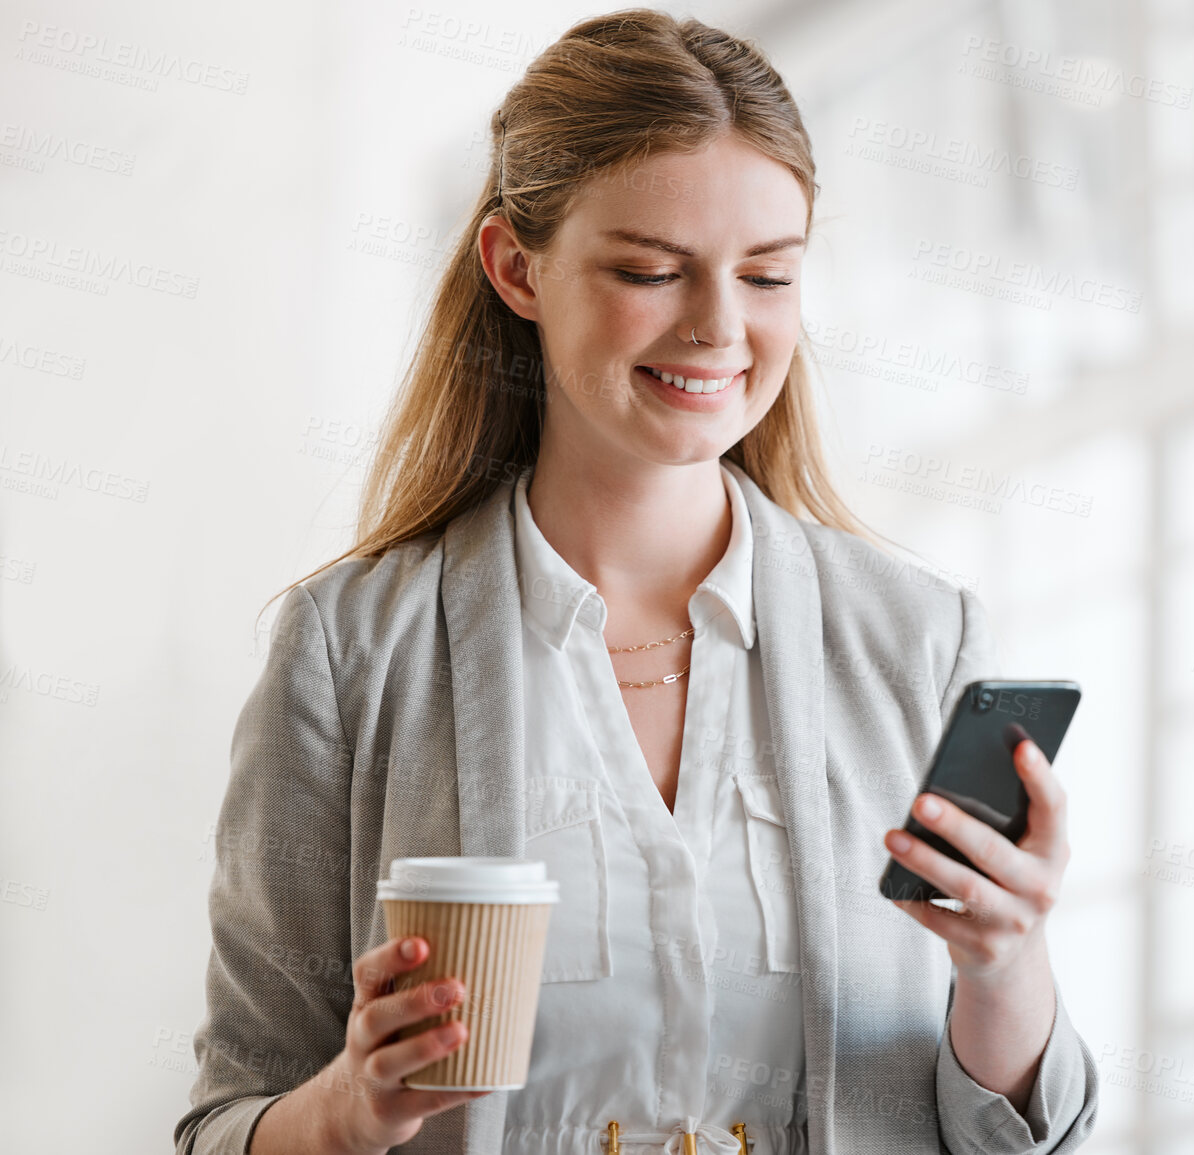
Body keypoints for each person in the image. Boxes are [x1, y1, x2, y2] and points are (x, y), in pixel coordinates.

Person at [175, 10, 1098, 1154]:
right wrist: (352, 1108)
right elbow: (229, 1122)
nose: (720, 328)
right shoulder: (351, 651)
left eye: (768, 276)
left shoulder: (917, 640)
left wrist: (1005, 963)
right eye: (652, 271)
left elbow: (1019, 1134)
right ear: (517, 267)